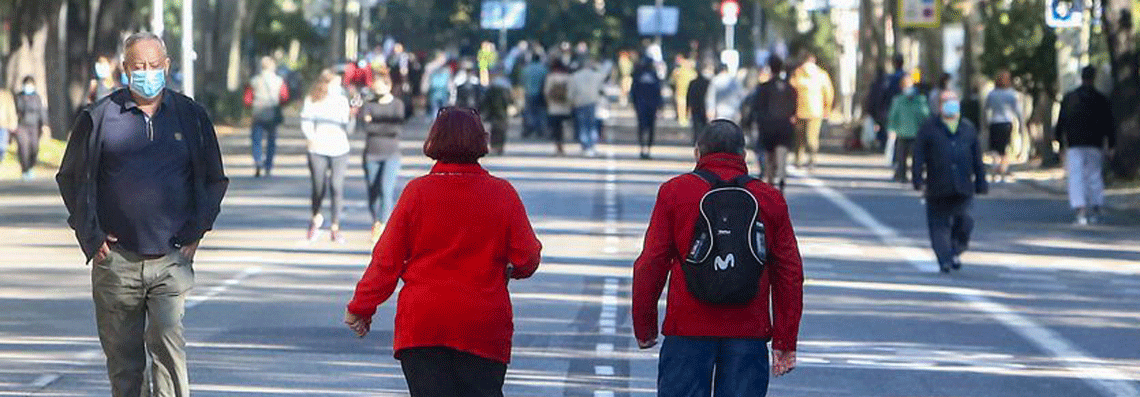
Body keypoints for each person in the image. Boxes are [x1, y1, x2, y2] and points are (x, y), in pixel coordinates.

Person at [56, 32, 228, 397]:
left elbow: (215, 179)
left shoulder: (191, 117)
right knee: (124, 363)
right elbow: (70, 177)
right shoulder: (99, 117)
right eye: (138, 66)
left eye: (153, 66)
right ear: (125, 69)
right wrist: (91, 235)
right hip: (116, 262)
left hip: (171, 258)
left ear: (167, 67)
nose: (146, 73)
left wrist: (196, 232)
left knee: (168, 348)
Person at [345, 107, 542, 397]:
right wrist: (509, 270)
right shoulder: (502, 194)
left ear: (433, 140)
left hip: (423, 323)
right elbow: (528, 257)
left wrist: (360, 307)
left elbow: (386, 260)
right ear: (480, 141)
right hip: (482, 325)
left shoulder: (416, 193)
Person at [632, 120, 803, 397]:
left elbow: (651, 263)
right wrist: (785, 339)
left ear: (698, 153)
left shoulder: (675, 192)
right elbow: (790, 272)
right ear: (743, 155)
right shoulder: (769, 198)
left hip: (686, 329)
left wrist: (645, 326)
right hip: (749, 331)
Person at [913, 90, 988, 273]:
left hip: (963, 185)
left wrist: (981, 181)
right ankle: (944, 258)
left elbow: (977, 157)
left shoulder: (968, 128)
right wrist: (917, 178)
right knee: (939, 225)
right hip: (937, 185)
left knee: (965, 221)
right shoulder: (929, 127)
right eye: (946, 101)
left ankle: (956, 249)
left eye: (953, 101)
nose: (950, 105)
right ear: (939, 106)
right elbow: (918, 154)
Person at [1055, 66, 1116, 225]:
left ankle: (1080, 210)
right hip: (1095, 142)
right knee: (1094, 176)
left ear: (1081, 77)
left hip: (1074, 142)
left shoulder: (1070, 98)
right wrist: (1111, 144)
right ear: (1094, 78)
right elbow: (1109, 123)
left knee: (1076, 177)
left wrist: (1060, 144)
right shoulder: (1101, 99)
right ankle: (1096, 208)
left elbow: (1061, 122)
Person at [300, 70, 353, 243]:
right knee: (318, 186)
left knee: (337, 186)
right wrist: (311, 138)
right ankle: (315, 217)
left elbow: (348, 125)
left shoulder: (342, 100)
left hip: (339, 149)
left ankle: (335, 226)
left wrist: (352, 116)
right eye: (334, 84)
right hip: (318, 149)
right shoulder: (312, 100)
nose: (337, 88)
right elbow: (306, 120)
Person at [357, 73, 406, 243]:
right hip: (371, 154)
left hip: (391, 154)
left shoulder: (397, 105)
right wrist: (382, 126)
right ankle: (375, 220)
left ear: (388, 86)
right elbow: (366, 128)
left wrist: (375, 124)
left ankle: (383, 225)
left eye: (380, 86)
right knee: (373, 192)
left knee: (386, 190)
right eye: (375, 87)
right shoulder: (369, 104)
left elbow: (396, 130)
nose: (377, 90)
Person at [751, 56, 798, 191]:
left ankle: (770, 182)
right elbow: (794, 109)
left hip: (767, 126)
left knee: (768, 155)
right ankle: (782, 177)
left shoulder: (763, 88)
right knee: (782, 153)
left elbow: (757, 108)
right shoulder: (790, 88)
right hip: (785, 126)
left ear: (769, 68)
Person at [789, 52, 834, 170]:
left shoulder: (797, 74)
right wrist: (827, 108)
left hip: (799, 110)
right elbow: (828, 93)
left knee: (799, 138)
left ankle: (798, 160)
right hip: (816, 111)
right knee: (812, 137)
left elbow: (791, 92)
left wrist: (790, 110)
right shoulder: (821, 75)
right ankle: (812, 160)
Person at [245, 56, 288, 178]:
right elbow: (284, 96)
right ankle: (268, 165)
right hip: (272, 112)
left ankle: (258, 160)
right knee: (271, 141)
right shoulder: (279, 80)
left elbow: (247, 99)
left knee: (256, 139)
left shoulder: (254, 80)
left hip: (257, 112)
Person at [887, 74, 930, 183]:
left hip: (916, 134)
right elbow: (893, 116)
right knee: (901, 157)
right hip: (902, 133)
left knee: (918, 158)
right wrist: (892, 129)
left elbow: (926, 115)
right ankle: (901, 175)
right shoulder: (898, 100)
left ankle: (917, 177)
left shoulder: (920, 100)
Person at [984, 70, 1023, 182]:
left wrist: (984, 124)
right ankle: (1002, 170)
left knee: (995, 149)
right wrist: (1020, 125)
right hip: (1006, 122)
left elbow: (986, 109)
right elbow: (1018, 111)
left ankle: (996, 167)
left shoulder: (992, 94)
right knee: (1005, 149)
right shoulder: (1011, 94)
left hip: (994, 122)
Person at [14, 76, 49, 180]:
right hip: (22, 125)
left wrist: (44, 124)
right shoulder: (19, 97)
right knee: (23, 148)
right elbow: (15, 111)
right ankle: (25, 168)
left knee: (34, 147)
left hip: (34, 126)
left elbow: (41, 111)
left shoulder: (37, 97)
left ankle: (31, 166)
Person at [569, 59, 606, 156]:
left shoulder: (575, 76)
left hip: (579, 103)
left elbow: (571, 91)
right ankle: (592, 145)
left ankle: (585, 146)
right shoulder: (597, 76)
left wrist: (571, 101)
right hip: (592, 102)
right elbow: (601, 89)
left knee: (583, 125)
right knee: (592, 124)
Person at [631, 56, 663, 159]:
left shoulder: (640, 75)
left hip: (644, 105)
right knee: (649, 128)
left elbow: (633, 91)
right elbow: (658, 92)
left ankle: (644, 149)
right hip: (648, 105)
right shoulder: (642, 75)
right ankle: (645, 149)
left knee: (644, 128)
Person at [481, 68, 514, 155]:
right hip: (502, 111)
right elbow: (509, 99)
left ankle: (495, 146)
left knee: (494, 129)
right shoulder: (506, 84)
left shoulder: (492, 86)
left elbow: (486, 99)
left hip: (493, 111)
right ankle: (500, 147)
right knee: (502, 129)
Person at [544, 59, 573, 156]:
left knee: (556, 129)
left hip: (553, 107)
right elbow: (571, 92)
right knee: (564, 127)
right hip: (565, 106)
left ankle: (558, 146)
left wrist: (548, 103)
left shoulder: (551, 77)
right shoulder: (568, 77)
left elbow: (546, 92)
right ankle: (563, 145)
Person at [521, 54, 548, 139]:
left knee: (529, 112)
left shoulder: (526, 69)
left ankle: (529, 128)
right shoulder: (543, 69)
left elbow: (522, 81)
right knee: (540, 112)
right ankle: (539, 130)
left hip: (528, 93)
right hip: (540, 93)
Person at [686, 64, 712, 144]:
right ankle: (704, 140)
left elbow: (688, 96)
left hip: (695, 107)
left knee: (696, 125)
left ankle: (697, 140)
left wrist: (688, 107)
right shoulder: (707, 83)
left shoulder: (693, 83)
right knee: (704, 124)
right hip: (703, 107)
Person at [671, 55, 698, 126]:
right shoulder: (693, 72)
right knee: (687, 106)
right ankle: (685, 119)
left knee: (681, 105)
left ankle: (682, 120)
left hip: (681, 92)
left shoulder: (677, 71)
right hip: (689, 93)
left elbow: (672, 81)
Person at [0, 88, 15, 167]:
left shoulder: (6, 96)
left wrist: (12, 123)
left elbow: (11, 110)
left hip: (3, 124)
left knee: (2, 146)